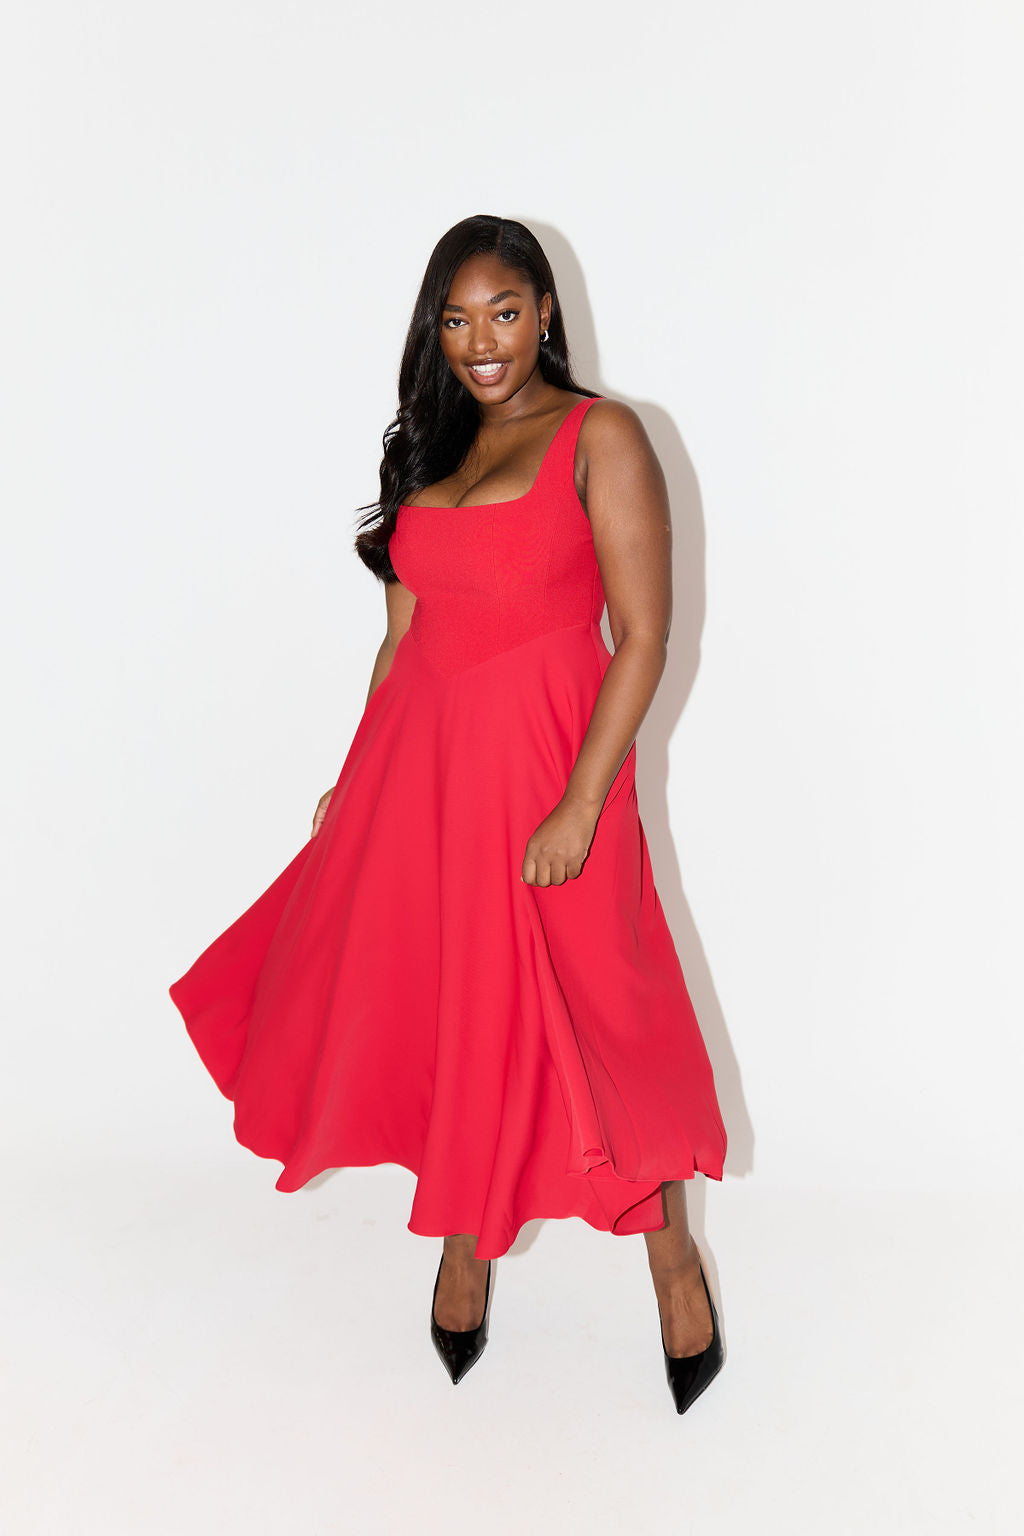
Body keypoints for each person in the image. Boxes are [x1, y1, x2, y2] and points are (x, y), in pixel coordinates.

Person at [169, 213, 727, 1415]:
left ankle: (673, 1261)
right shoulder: (431, 450)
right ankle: (464, 1244)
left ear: (545, 314)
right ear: (435, 329)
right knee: (450, 1008)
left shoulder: (600, 436)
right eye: (458, 319)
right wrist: (354, 773)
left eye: (505, 313)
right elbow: (402, 640)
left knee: (608, 1018)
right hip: (421, 783)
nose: (483, 342)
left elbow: (644, 637)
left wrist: (582, 803)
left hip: (551, 778)